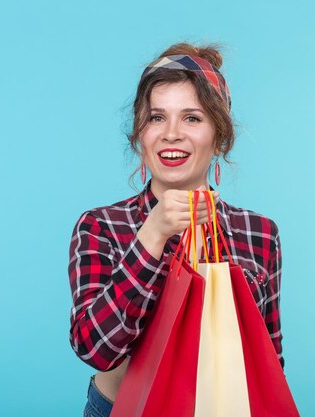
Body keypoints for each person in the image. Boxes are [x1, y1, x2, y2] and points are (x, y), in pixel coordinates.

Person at [67, 42, 283, 417]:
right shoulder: (101, 227)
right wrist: (151, 236)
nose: (171, 134)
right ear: (139, 135)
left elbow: (268, 360)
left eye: (192, 118)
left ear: (219, 135)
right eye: (156, 118)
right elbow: (96, 350)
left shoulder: (260, 233)